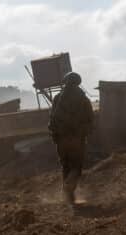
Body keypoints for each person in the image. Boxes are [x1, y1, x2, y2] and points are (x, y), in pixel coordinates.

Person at [49, 72, 94, 206]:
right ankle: (69, 186)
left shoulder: (57, 98)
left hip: (61, 139)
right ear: (78, 83)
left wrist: (55, 135)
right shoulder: (84, 99)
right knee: (77, 167)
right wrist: (84, 133)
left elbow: (52, 119)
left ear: (65, 82)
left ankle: (69, 198)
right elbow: (90, 120)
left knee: (65, 166)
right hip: (77, 139)